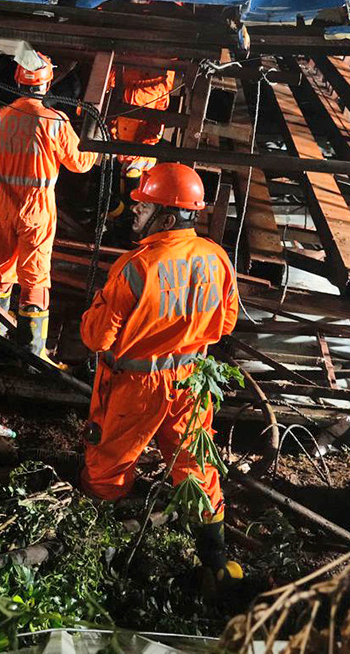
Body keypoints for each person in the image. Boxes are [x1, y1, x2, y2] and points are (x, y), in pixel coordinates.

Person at [79, 162, 242, 585]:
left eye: (144, 206)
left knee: (110, 461)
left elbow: (97, 338)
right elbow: (224, 326)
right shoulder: (217, 259)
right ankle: (216, 563)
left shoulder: (137, 267)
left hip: (137, 385)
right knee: (198, 467)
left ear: (167, 217)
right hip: (191, 379)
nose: (135, 211)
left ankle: (94, 556)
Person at [0, 52, 97, 363]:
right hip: (37, 206)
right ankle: (32, 349)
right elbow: (80, 164)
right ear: (48, 83)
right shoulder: (54, 122)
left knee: (3, 268)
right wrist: (95, 146)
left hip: (4, 203)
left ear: (18, 81)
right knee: (35, 274)